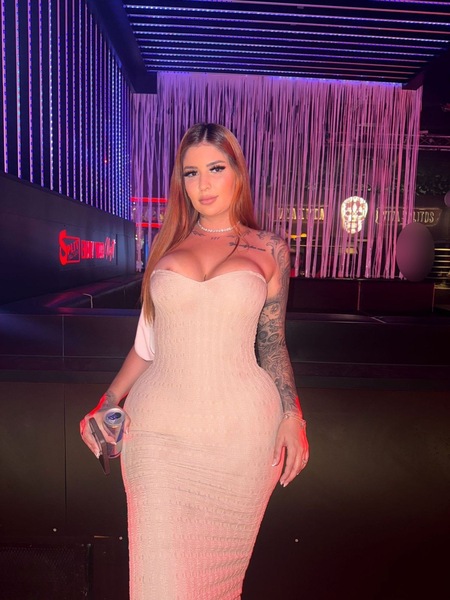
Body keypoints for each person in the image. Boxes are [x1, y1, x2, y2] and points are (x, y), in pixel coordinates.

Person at [80, 123, 309, 599]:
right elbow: (147, 346)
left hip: (240, 438)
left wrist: (294, 416)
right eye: (190, 173)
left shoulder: (270, 249)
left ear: (238, 172)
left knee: (217, 587)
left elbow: (272, 344)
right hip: (158, 434)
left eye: (215, 168)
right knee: (159, 583)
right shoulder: (165, 246)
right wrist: (108, 400)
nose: (203, 184)